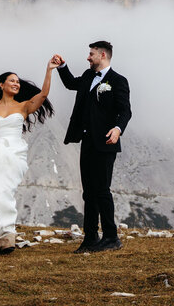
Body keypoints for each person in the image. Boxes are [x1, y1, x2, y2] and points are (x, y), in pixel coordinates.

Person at [52, 40, 131, 253]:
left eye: (91, 54)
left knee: (102, 190)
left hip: (106, 142)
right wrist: (61, 66)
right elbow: (70, 84)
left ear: (102, 55)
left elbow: (125, 111)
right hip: (87, 141)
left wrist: (117, 129)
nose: (88, 57)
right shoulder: (88, 77)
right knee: (88, 191)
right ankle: (90, 238)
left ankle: (112, 237)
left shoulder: (118, 81)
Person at [0, 61, 57, 254]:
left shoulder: (23, 107)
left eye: (18, 82)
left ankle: (7, 237)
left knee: (5, 191)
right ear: (1, 85)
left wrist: (49, 70)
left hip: (14, 154)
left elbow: (43, 94)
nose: (16, 84)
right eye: (12, 81)